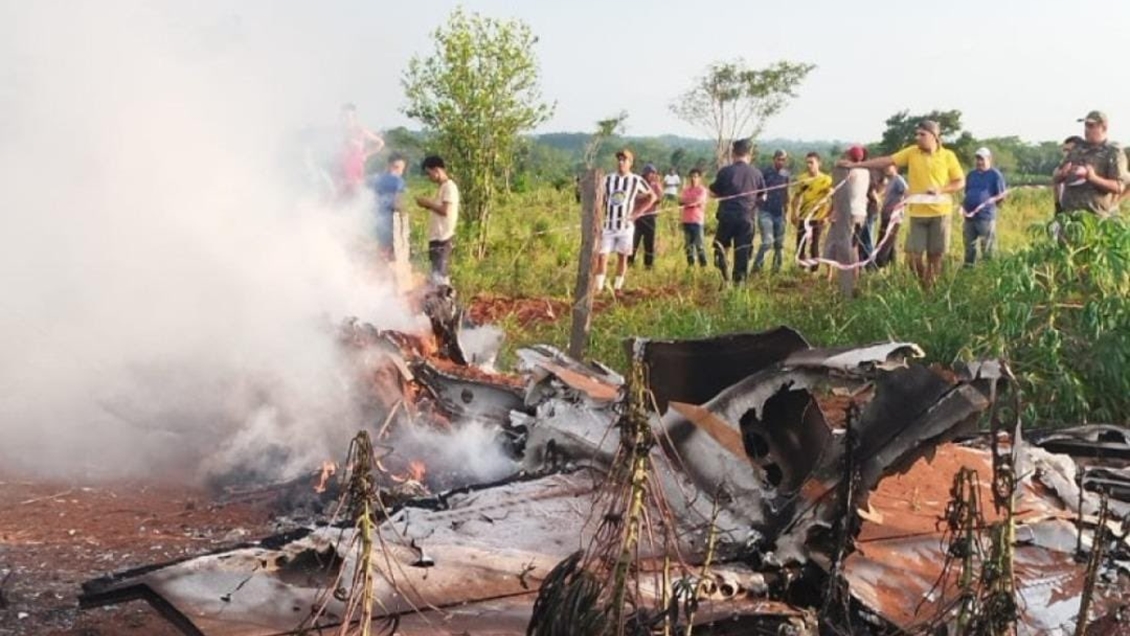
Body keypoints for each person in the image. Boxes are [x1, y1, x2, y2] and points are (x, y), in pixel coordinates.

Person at [841, 120, 964, 288]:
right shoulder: (912, 153)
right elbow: (886, 161)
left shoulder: (948, 156)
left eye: (922, 134)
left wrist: (941, 189)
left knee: (935, 257)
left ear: (934, 137)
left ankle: (930, 294)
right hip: (917, 215)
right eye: (917, 134)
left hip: (940, 213)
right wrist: (858, 165)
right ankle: (925, 285)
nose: (917, 138)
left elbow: (959, 182)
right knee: (912, 258)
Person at [596, 149, 656, 292]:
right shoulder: (608, 179)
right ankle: (598, 287)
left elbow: (652, 196)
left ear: (630, 163)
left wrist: (637, 213)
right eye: (619, 160)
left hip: (626, 226)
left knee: (622, 257)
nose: (621, 162)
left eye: (624, 160)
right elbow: (600, 198)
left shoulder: (636, 180)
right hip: (609, 225)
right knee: (602, 256)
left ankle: (617, 288)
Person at [710, 139, 765, 284]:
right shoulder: (756, 173)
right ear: (749, 154)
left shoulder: (725, 171)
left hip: (726, 216)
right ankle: (738, 284)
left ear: (733, 153)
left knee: (721, 247)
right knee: (742, 252)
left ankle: (723, 278)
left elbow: (713, 192)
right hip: (746, 218)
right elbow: (763, 196)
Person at [1054, 111, 1128, 218]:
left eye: (1091, 126)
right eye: (1085, 126)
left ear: (1104, 127)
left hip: (1095, 218)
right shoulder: (1076, 149)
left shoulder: (1113, 153)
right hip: (1069, 216)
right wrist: (1062, 174)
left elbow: (1119, 186)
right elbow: (1055, 178)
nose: (1086, 130)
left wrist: (1093, 178)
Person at [415, 155, 459, 285]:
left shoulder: (449, 187)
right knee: (436, 275)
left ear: (437, 170)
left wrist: (427, 203)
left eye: (429, 173)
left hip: (443, 239)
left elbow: (445, 210)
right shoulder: (443, 188)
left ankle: (445, 302)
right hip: (437, 238)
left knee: (440, 277)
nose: (429, 177)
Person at [961, 147, 1007, 266]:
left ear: (989, 159)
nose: (979, 162)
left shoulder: (995, 175)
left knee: (987, 245)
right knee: (969, 245)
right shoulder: (971, 175)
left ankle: (988, 269)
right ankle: (969, 268)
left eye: (982, 159)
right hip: (969, 216)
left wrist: (989, 206)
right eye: (977, 159)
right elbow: (967, 191)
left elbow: (1001, 195)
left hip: (985, 216)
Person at [789, 152, 833, 272]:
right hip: (804, 216)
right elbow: (796, 197)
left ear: (819, 163)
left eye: (811, 162)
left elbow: (833, 198)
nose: (809, 165)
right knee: (801, 243)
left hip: (818, 217)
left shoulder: (826, 179)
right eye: (807, 162)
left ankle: (814, 269)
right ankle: (801, 268)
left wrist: (828, 216)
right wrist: (793, 213)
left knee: (815, 244)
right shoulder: (802, 179)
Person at [338, 103, 384, 199]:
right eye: (343, 116)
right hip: (340, 169)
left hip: (355, 168)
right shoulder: (338, 131)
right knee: (339, 196)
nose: (346, 119)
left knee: (354, 195)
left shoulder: (360, 130)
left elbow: (380, 143)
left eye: (349, 116)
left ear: (354, 117)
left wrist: (366, 154)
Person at [755, 150, 791, 272]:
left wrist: (787, 211)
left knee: (779, 244)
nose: (781, 162)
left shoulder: (786, 174)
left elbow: (786, 193)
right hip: (765, 211)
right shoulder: (764, 172)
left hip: (779, 212)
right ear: (774, 159)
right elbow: (757, 191)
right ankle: (756, 269)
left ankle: (776, 271)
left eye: (783, 159)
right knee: (767, 242)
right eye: (779, 159)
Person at [370, 153, 407, 263]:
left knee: (381, 247)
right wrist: (403, 213)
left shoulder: (377, 179)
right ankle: (388, 275)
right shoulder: (397, 181)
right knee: (391, 250)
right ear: (390, 166)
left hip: (377, 219)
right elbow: (397, 203)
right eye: (398, 168)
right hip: (390, 221)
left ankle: (379, 272)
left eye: (401, 169)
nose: (400, 171)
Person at [629, 164, 663, 269]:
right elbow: (633, 197)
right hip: (638, 217)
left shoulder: (656, 185)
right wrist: (646, 196)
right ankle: (630, 262)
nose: (652, 175)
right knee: (634, 241)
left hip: (650, 216)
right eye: (650, 173)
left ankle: (648, 264)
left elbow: (659, 199)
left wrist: (651, 195)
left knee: (649, 242)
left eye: (654, 173)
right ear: (645, 174)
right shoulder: (638, 183)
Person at [875, 163, 907, 268]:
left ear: (895, 168)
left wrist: (899, 207)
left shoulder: (899, 180)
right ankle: (893, 265)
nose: (886, 169)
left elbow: (907, 193)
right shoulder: (890, 181)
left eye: (889, 167)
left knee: (886, 241)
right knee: (889, 241)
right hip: (886, 214)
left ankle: (879, 264)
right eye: (885, 167)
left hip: (894, 216)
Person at [679, 169, 709, 267]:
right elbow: (681, 201)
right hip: (686, 220)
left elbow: (696, 201)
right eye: (691, 176)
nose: (693, 179)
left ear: (699, 178)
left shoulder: (702, 190)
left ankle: (703, 266)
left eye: (695, 177)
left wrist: (689, 202)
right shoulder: (686, 190)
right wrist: (690, 202)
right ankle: (690, 266)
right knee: (688, 246)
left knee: (699, 245)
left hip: (697, 221)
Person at [1054, 136, 1084, 215]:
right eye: (1065, 150)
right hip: (1065, 212)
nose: (1066, 154)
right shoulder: (1058, 171)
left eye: (1070, 150)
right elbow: (1057, 198)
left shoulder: (1088, 170)